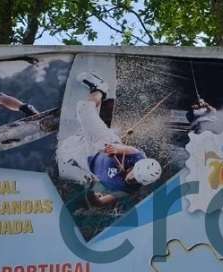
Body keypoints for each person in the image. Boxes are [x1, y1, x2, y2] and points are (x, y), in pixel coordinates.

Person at [57, 73, 162, 208]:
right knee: (83, 110)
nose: (131, 178)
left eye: (135, 180)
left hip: (87, 160)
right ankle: (99, 88)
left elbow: (99, 203)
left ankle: (87, 128)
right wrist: (119, 149)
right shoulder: (140, 159)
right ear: (135, 167)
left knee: (62, 151)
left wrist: (89, 190)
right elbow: (133, 151)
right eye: (134, 174)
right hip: (104, 143)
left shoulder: (127, 190)